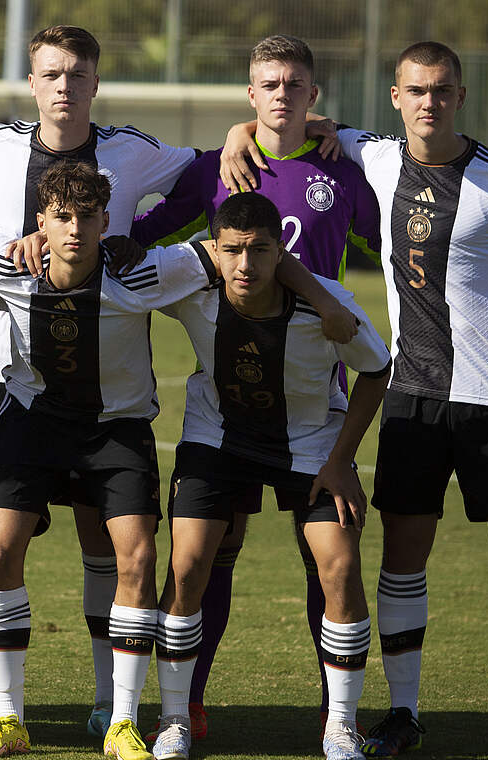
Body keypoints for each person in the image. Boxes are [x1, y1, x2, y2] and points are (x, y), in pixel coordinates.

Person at [0, 161, 353, 760]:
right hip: (33, 423)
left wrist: (317, 298)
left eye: (88, 218)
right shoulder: (5, 259)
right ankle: (9, 717)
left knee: (140, 556)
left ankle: (124, 721)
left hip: (116, 431)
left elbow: (246, 250)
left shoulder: (145, 272)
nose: (75, 230)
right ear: (40, 220)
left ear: (106, 222)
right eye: (62, 218)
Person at [222, 40, 488, 760]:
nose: (429, 102)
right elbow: (294, 125)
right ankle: (404, 713)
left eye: (442, 91)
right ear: (396, 97)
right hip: (411, 399)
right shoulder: (375, 157)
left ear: (460, 96)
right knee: (402, 559)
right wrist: (237, 132)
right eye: (416, 91)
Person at [0, 25, 201, 737]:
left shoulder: (132, 150)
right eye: (51, 73)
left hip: (106, 381)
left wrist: (144, 236)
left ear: (95, 82)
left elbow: (207, 178)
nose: (64, 85)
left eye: (77, 74)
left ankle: (108, 706)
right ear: (32, 82)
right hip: (7, 373)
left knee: (108, 544)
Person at [130, 34, 380, 739]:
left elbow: (390, 244)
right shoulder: (218, 166)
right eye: (267, 84)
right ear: (249, 93)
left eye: (293, 84)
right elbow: (151, 229)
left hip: (310, 395)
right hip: (226, 406)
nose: (280, 94)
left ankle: (338, 723)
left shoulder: (343, 167)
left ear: (313, 96)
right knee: (206, 558)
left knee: (325, 562)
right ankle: (188, 706)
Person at [152, 191, 391, 760]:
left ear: (281, 251)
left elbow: (378, 370)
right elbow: (127, 273)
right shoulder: (193, 287)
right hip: (217, 438)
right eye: (231, 250)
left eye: (260, 251)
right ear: (214, 249)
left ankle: (340, 726)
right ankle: (172, 721)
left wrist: (341, 459)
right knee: (187, 565)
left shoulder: (327, 305)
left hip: (310, 444)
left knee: (340, 564)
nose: (244, 265)